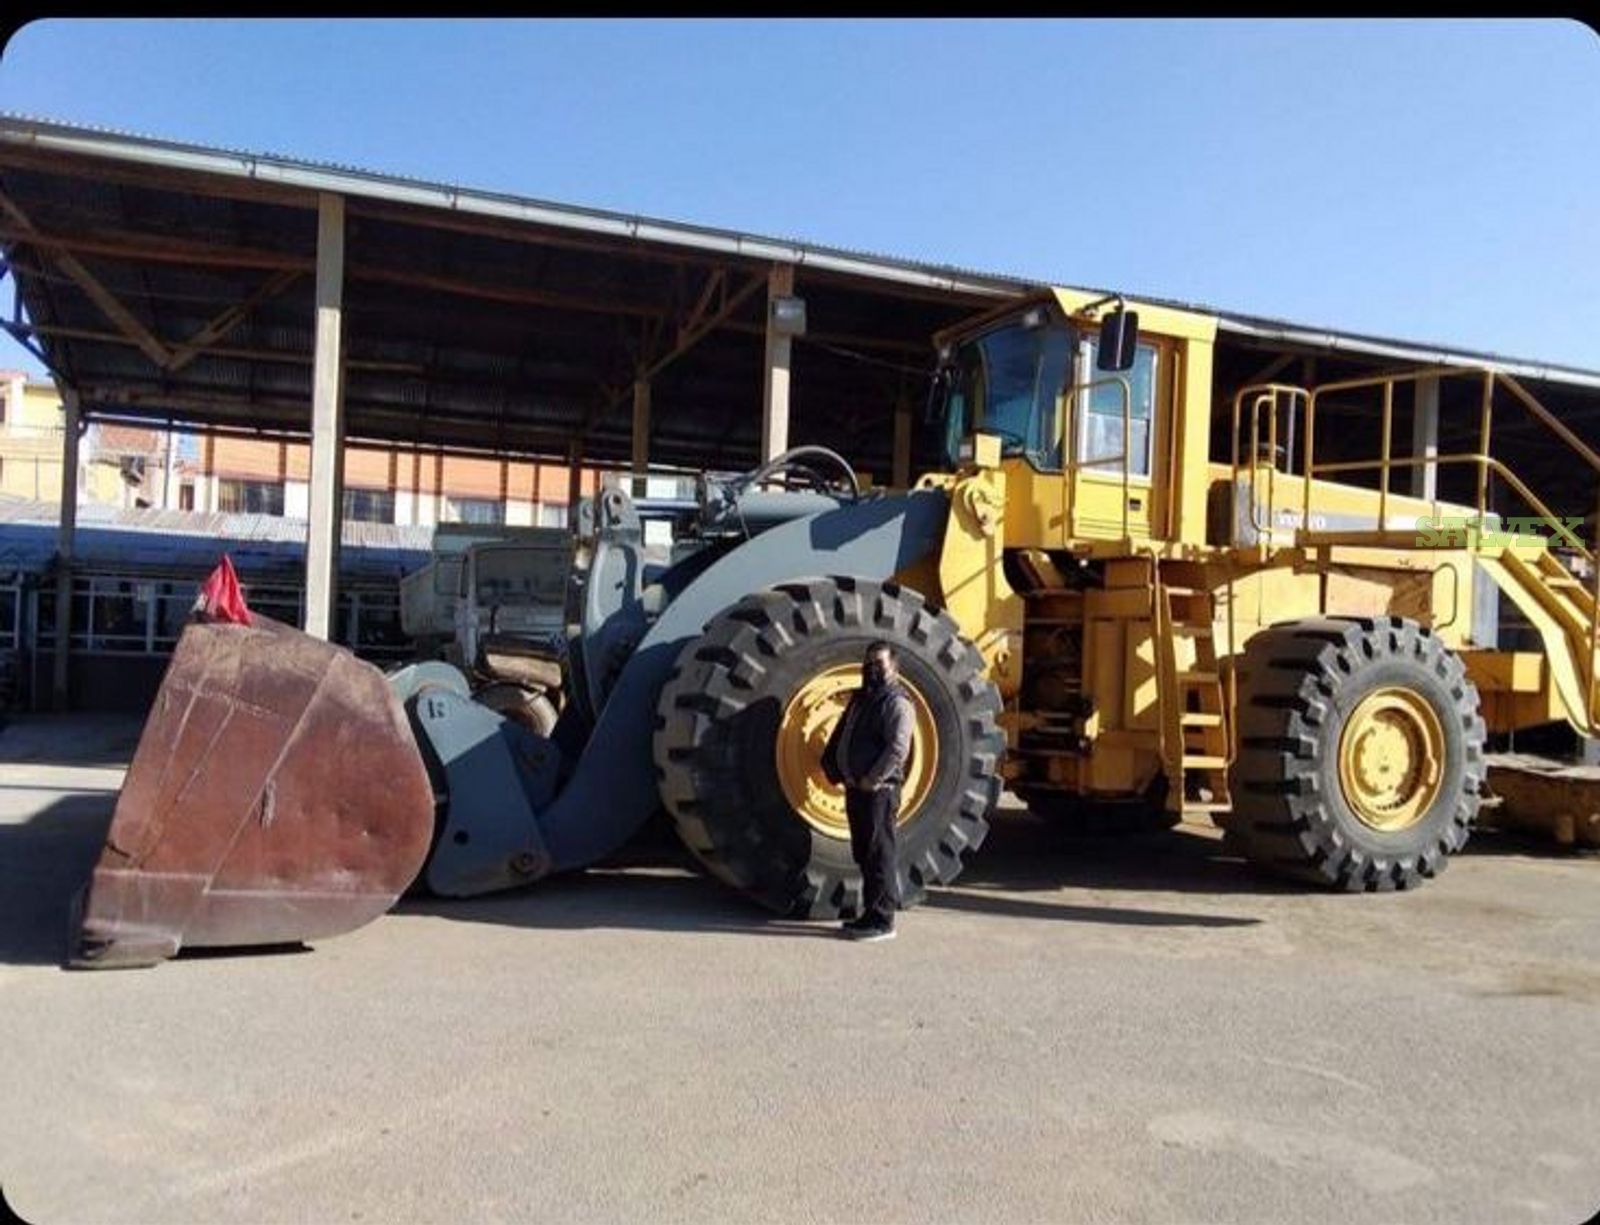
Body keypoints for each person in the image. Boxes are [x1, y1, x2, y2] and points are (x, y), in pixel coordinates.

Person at [821, 641, 915, 943]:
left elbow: (897, 748)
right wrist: (834, 766)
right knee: (864, 852)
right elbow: (844, 733)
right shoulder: (863, 699)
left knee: (879, 853)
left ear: (894, 668)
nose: (872, 668)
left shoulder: (897, 702)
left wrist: (873, 779)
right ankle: (869, 912)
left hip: (879, 791)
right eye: (868, 663)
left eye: (879, 664)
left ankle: (883, 920)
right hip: (856, 788)